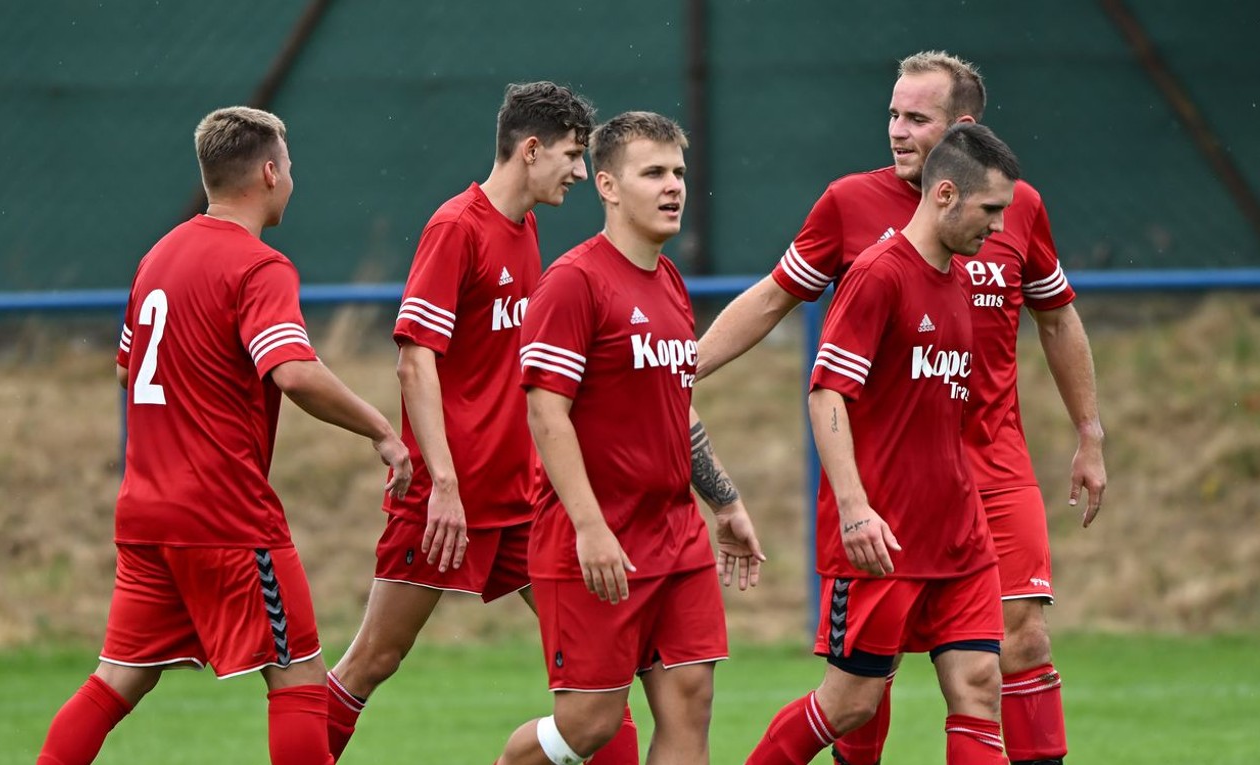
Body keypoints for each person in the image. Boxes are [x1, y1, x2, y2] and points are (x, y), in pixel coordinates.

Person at [699, 51, 1106, 765]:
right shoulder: (861, 223)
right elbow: (776, 303)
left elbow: (1058, 316)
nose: (895, 130)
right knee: (861, 693)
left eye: (915, 117)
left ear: (962, 129)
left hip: (987, 471)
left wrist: (1089, 431)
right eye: (892, 113)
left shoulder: (1009, 206)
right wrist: (684, 369)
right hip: (885, 479)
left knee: (1009, 651)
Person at [36, 106, 413, 765]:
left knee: (119, 678)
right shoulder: (258, 267)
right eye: (290, 167)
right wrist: (381, 428)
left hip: (148, 512)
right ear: (269, 173)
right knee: (297, 680)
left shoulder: (159, 256)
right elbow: (293, 372)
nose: (293, 179)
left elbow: (127, 367)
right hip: (226, 516)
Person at [321, 82, 647, 765]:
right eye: (571, 155)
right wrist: (442, 480)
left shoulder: (525, 230)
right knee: (374, 659)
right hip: (449, 499)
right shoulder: (457, 227)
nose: (581, 173)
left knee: (601, 672)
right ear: (529, 150)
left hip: (521, 501)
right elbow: (416, 362)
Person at [744, 122, 1024, 765]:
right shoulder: (878, 275)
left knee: (981, 688)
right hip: (883, 538)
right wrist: (853, 507)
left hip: (959, 535)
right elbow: (827, 394)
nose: (1001, 228)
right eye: (991, 210)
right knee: (852, 705)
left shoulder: (958, 280)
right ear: (946, 194)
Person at [494, 111, 765, 765]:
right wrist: (589, 526)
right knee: (589, 724)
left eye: (678, 172)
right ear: (609, 186)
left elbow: (676, 409)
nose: (673, 186)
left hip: (676, 536)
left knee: (691, 701)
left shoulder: (670, 281)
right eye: (653, 173)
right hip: (596, 538)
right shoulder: (574, 282)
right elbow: (546, 414)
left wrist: (724, 501)